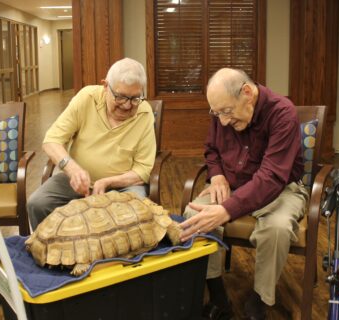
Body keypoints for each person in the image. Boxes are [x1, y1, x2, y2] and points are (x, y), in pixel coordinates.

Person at [180, 68, 309, 320]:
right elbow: (211, 149)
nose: (224, 122)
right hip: (232, 183)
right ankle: (217, 294)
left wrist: (226, 210)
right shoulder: (223, 111)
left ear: (247, 93)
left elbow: (271, 177)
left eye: (226, 112)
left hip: (280, 189)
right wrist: (216, 174)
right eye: (216, 114)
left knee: (277, 228)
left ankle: (259, 301)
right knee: (192, 214)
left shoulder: (282, 113)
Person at [27, 57, 156, 230]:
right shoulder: (86, 98)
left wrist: (108, 182)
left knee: (135, 214)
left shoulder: (144, 112)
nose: (127, 106)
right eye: (120, 97)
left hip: (123, 186)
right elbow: (52, 140)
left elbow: (143, 171)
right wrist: (73, 169)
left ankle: (118, 258)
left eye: (134, 99)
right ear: (105, 86)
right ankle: (50, 254)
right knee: (38, 203)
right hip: (77, 181)